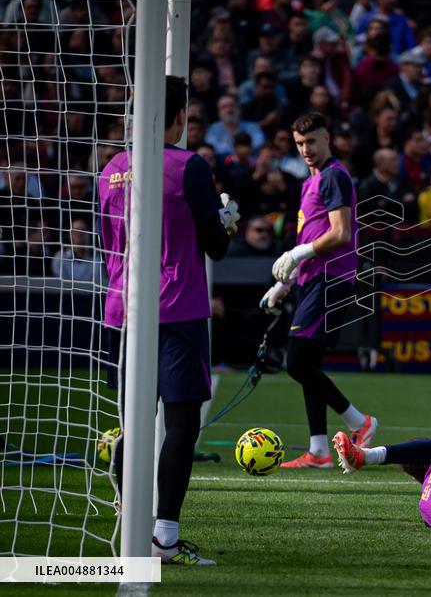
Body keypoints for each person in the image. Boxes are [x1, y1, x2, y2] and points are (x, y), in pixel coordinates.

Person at [98, 75, 239, 565]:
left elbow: (107, 244)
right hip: (176, 309)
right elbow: (216, 247)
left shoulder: (111, 168)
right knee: (180, 424)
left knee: (129, 423)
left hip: (121, 309)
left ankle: (126, 516)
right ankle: (163, 536)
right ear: (179, 116)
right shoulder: (190, 167)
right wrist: (226, 217)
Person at [258, 113, 378, 469]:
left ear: (327, 138)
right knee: (308, 363)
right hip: (314, 279)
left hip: (332, 277)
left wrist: (297, 253)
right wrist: (284, 282)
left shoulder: (334, 176)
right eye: (299, 143)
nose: (306, 149)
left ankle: (360, 422)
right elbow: (311, 236)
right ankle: (319, 450)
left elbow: (340, 233)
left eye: (311, 141)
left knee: (295, 361)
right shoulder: (310, 182)